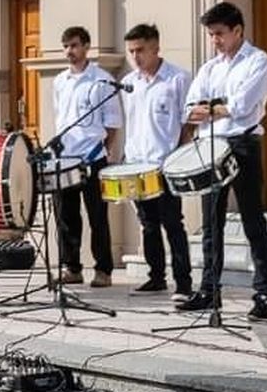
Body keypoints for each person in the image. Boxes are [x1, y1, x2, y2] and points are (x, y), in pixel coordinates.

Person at [179, 2, 267, 320]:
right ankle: (209, 290)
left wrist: (211, 107)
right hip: (211, 146)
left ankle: (263, 293)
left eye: (219, 34)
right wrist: (216, 107)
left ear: (237, 30)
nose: (215, 41)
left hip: (243, 144)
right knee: (211, 223)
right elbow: (188, 110)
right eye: (211, 35)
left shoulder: (258, 61)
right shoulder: (210, 68)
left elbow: (244, 106)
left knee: (252, 220)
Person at [121, 24, 193, 298]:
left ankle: (183, 283)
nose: (136, 57)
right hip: (138, 165)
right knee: (147, 223)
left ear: (156, 48)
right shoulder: (131, 82)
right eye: (131, 51)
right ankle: (156, 277)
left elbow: (188, 123)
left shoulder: (177, 79)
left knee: (173, 223)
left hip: (165, 164)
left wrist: (178, 157)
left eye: (140, 50)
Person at [50, 26, 124, 287]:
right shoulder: (59, 81)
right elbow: (61, 119)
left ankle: (103, 269)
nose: (70, 51)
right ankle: (72, 268)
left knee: (97, 216)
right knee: (66, 216)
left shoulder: (101, 80)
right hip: (65, 159)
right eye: (66, 46)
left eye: (74, 45)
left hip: (93, 158)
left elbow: (113, 124)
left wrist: (106, 152)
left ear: (86, 47)